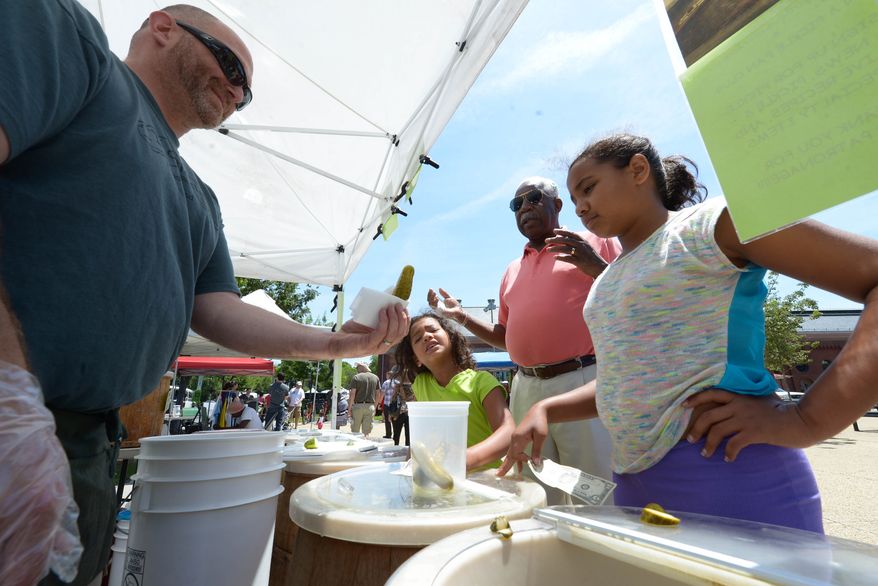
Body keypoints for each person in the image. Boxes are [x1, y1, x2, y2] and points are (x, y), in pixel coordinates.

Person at [0, 4, 409, 584]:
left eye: (246, 91)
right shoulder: (80, 55)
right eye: (228, 64)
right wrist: (8, 397)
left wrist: (339, 345)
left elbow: (217, 310)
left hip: (85, 440)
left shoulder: (199, 196)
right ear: (162, 27)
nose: (238, 91)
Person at [499, 133, 878, 533]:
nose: (581, 207)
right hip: (634, 486)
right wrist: (546, 408)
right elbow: (630, 375)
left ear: (638, 170)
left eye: (588, 188)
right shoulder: (610, 277)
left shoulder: (709, 227)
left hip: (729, 473)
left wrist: (806, 419)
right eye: (575, 200)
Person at [430, 176, 621, 501]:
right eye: (516, 205)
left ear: (558, 205)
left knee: (592, 489)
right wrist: (460, 317)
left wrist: (595, 266)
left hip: (581, 381)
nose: (524, 208)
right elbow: (504, 338)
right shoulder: (511, 270)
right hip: (526, 388)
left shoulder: (593, 242)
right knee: (533, 488)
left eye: (533, 198)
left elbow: (628, 296)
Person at [396, 312, 515, 470]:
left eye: (433, 330)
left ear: (451, 338)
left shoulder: (481, 382)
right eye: (418, 338)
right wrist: (409, 466)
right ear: (416, 359)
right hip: (443, 481)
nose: (427, 336)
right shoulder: (420, 385)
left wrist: (466, 459)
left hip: (486, 480)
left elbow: (508, 432)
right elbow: (421, 437)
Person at [349, 362, 380, 436]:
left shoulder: (356, 377)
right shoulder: (375, 377)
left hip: (358, 406)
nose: (357, 369)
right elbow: (378, 394)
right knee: (366, 432)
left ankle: (356, 446)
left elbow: (352, 394)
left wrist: (349, 408)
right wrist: (375, 407)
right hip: (370, 406)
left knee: (355, 432)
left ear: (361, 367)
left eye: (357, 367)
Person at [389, 381, 415, 447]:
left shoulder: (399, 386)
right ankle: (406, 449)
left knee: (397, 434)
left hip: (400, 414)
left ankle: (396, 447)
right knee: (407, 434)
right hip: (408, 413)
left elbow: (395, 400)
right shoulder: (413, 386)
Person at [380, 365, 401, 438]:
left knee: (387, 420)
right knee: (395, 420)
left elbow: (382, 394)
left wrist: (379, 403)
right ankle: (396, 435)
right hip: (396, 404)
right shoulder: (398, 382)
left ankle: (388, 434)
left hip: (387, 404)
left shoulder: (386, 383)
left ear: (389, 375)